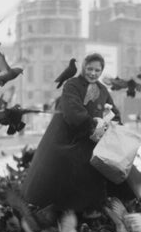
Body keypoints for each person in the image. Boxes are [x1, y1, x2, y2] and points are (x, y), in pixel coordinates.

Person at [23, 53, 133, 213]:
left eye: (97, 70)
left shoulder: (103, 90)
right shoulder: (72, 85)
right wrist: (92, 124)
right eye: (90, 69)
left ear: (101, 71)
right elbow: (72, 110)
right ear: (83, 68)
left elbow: (114, 113)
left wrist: (114, 126)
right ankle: (65, 211)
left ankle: (96, 208)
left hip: (94, 139)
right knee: (67, 175)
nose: (93, 73)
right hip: (69, 138)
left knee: (108, 169)